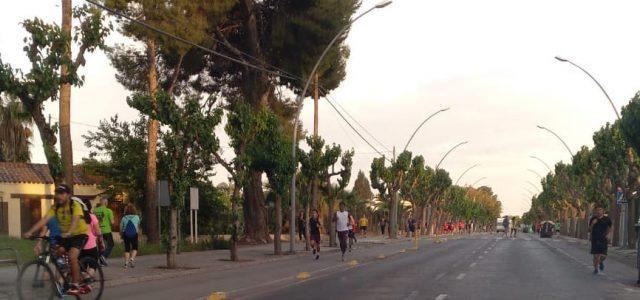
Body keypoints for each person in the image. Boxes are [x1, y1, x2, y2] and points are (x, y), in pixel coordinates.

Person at [24, 184, 91, 295]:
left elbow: (75, 220)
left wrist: (70, 231)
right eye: (57, 193)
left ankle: (75, 285)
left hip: (79, 234)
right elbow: (44, 220)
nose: (59, 196)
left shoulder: (74, 206)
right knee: (58, 253)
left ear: (68, 195)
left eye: (62, 193)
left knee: (72, 256)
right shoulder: (55, 207)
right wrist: (30, 231)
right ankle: (68, 274)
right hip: (66, 236)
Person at [588, 205, 612, 274]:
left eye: (600, 210)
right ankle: (595, 269)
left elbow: (610, 228)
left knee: (603, 256)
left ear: (603, 211)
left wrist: (609, 235)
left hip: (603, 239)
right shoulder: (593, 219)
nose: (599, 211)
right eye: (597, 210)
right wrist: (592, 224)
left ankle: (601, 262)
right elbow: (589, 229)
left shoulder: (607, 219)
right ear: (595, 211)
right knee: (595, 256)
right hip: (595, 239)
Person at [81, 199, 103, 263]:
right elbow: (98, 232)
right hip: (91, 244)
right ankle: (89, 273)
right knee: (93, 265)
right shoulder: (92, 217)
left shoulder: (77, 217)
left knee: (82, 267)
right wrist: (101, 241)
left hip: (79, 245)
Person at [94, 197, 115, 266]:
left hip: (98, 231)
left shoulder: (95, 210)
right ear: (106, 203)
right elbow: (112, 222)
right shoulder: (108, 211)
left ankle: (101, 262)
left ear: (100, 202)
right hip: (106, 230)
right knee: (111, 244)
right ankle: (104, 256)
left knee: (100, 246)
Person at [120, 204, 141, 269]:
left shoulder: (124, 218)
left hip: (126, 234)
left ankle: (126, 263)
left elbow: (121, 227)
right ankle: (131, 259)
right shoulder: (137, 217)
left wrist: (121, 234)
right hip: (134, 234)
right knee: (135, 248)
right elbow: (138, 225)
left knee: (127, 249)